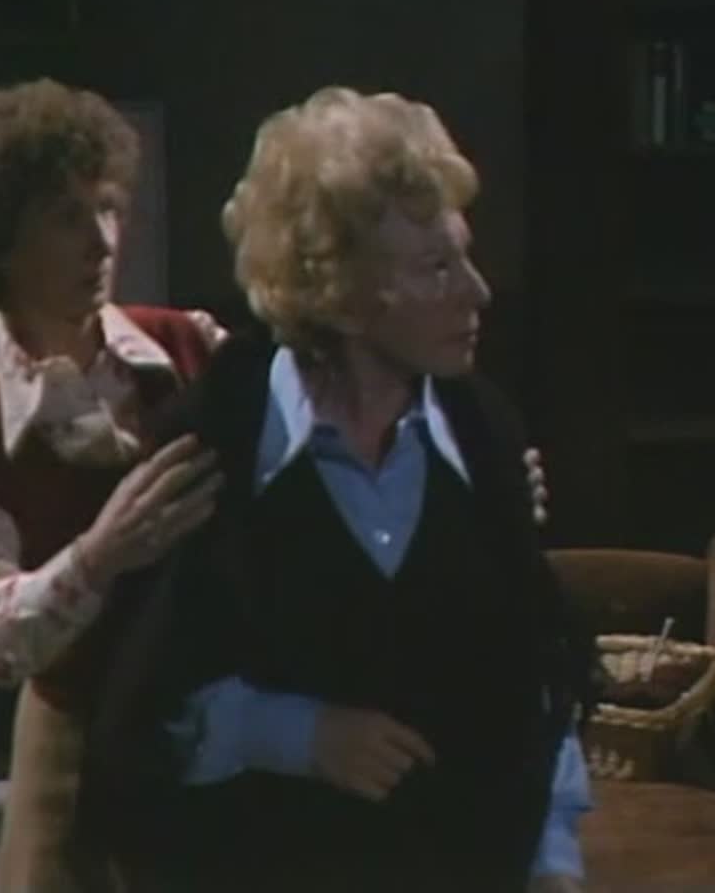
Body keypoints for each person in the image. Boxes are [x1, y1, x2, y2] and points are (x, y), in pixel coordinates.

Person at [76, 87, 594, 892]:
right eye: (436, 268)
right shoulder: (213, 444)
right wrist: (296, 734)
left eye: (464, 256)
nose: (478, 291)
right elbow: (134, 715)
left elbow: (536, 685)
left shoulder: (485, 434)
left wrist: (553, 861)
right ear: (343, 299)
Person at [0, 78, 224, 892]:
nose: (100, 241)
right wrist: (99, 556)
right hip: (73, 741)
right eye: (67, 217)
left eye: (110, 209)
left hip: (208, 723)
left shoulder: (189, 348)